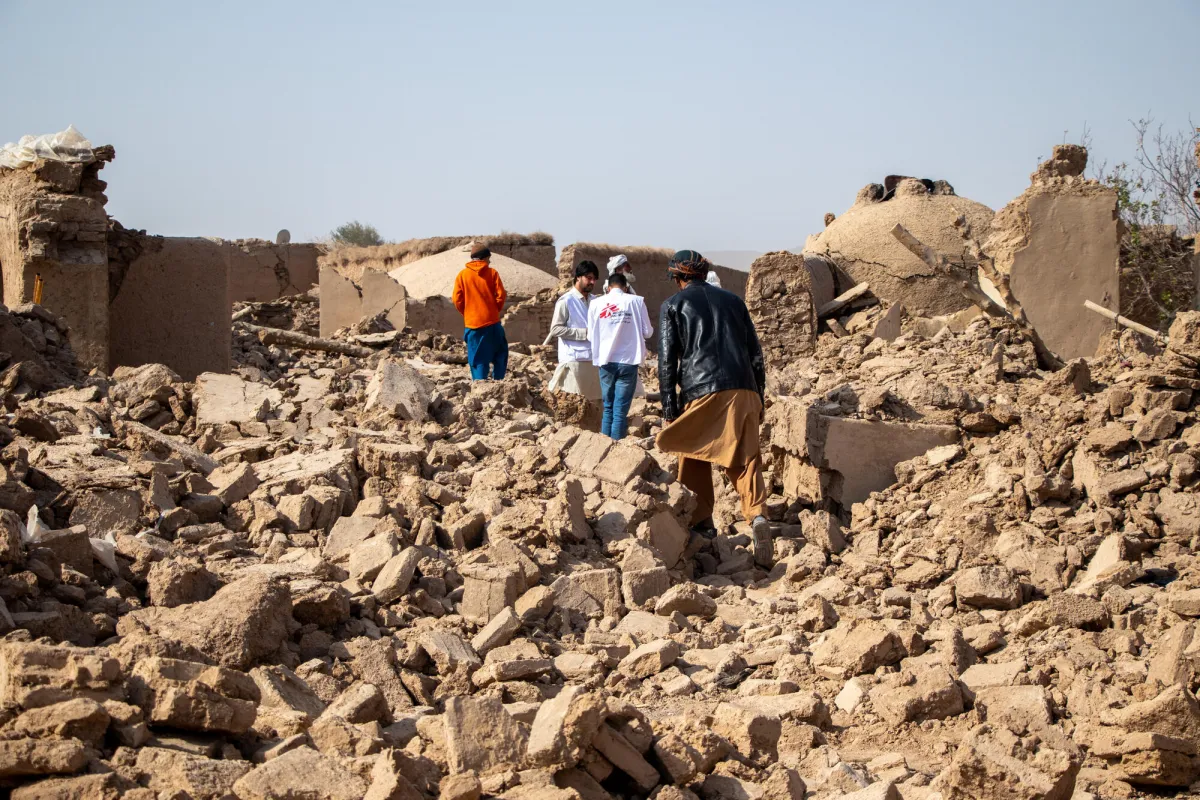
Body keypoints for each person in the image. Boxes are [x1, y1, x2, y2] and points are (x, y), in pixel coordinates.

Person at [654, 249, 773, 567]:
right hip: (743, 386)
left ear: (679, 279)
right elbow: (755, 353)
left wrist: (669, 410)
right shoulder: (734, 302)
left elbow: (667, 362)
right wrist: (758, 396)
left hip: (701, 389)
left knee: (693, 453)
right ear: (704, 274)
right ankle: (758, 516)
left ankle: (701, 524)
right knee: (746, 457)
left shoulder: (673, 305)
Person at [588, 271, 653, 440]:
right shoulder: (637, 301)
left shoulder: (596, 303)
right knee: (620, 411)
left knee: (608, 406)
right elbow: (648, 332)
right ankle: (616, 446)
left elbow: (590, 335)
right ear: (625, 287)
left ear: (608, 288)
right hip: (627, 361)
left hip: (605, 361)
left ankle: (604, 445)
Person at [545, 261, 602, 425]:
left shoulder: (595, 301)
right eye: (589, 278)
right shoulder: (566, 301)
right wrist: (583, 334)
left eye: (594, 279)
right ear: (578, 277)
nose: (592, 282)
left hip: (594, 360)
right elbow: (556, 329)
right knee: (575, 404)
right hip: (574, 360)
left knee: (596, 404)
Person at [452, 244, 508, 380]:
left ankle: (480, 387)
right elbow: (501, 295)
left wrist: (468, 313)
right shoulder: (492, 273)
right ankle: (498, 382)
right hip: (493, 323)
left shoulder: (462, 275)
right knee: (501, 353)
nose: (490, 262)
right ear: (485, 258)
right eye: (489, 258)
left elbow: (456, 299)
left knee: (478, 358)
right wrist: (494, 310)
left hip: (472, 325)